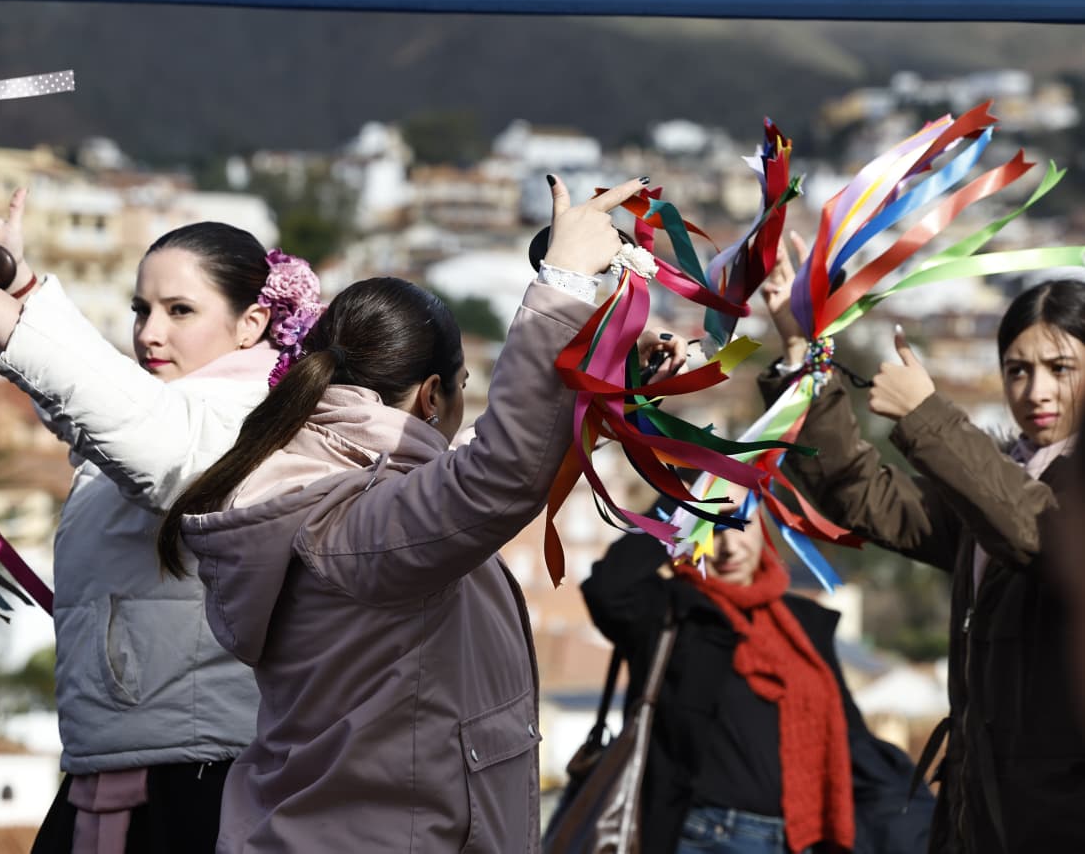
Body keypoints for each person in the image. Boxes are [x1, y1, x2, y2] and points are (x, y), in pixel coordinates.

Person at [156, 175, 687, 853]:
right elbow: (492, 476)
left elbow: (464, 474)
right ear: (433, 395)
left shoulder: (313, 489)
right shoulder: (349, 525)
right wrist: (561, 283)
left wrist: (601, 387)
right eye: (465, 385)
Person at [0, 195, 321, 853]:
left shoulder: (250, 420)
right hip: (124, 765)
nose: (148, 331)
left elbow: (129, 423)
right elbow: (94, 408)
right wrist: (13, 284)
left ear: (251, 324)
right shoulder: (179, 411)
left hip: (199, 781)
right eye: (141, 309)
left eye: (179, 310)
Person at [760, 235, 1085, 854]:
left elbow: (1040, 534)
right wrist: (805, 351)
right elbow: (858, 494)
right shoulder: (995, 476)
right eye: (1018, 369)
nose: (1036, 391)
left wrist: (927, 415)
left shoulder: (1023, 487)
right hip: (979, 819)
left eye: (1060, 368)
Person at [580, 512, 934, 854]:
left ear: (761, 526)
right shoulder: (670, 611)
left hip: (801, 840)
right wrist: (688, 493)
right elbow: (609, 587)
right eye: (713, 531)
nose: (729, 547)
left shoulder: (801, 623)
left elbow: (850, 742)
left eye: (741, 526)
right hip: (701, 839)